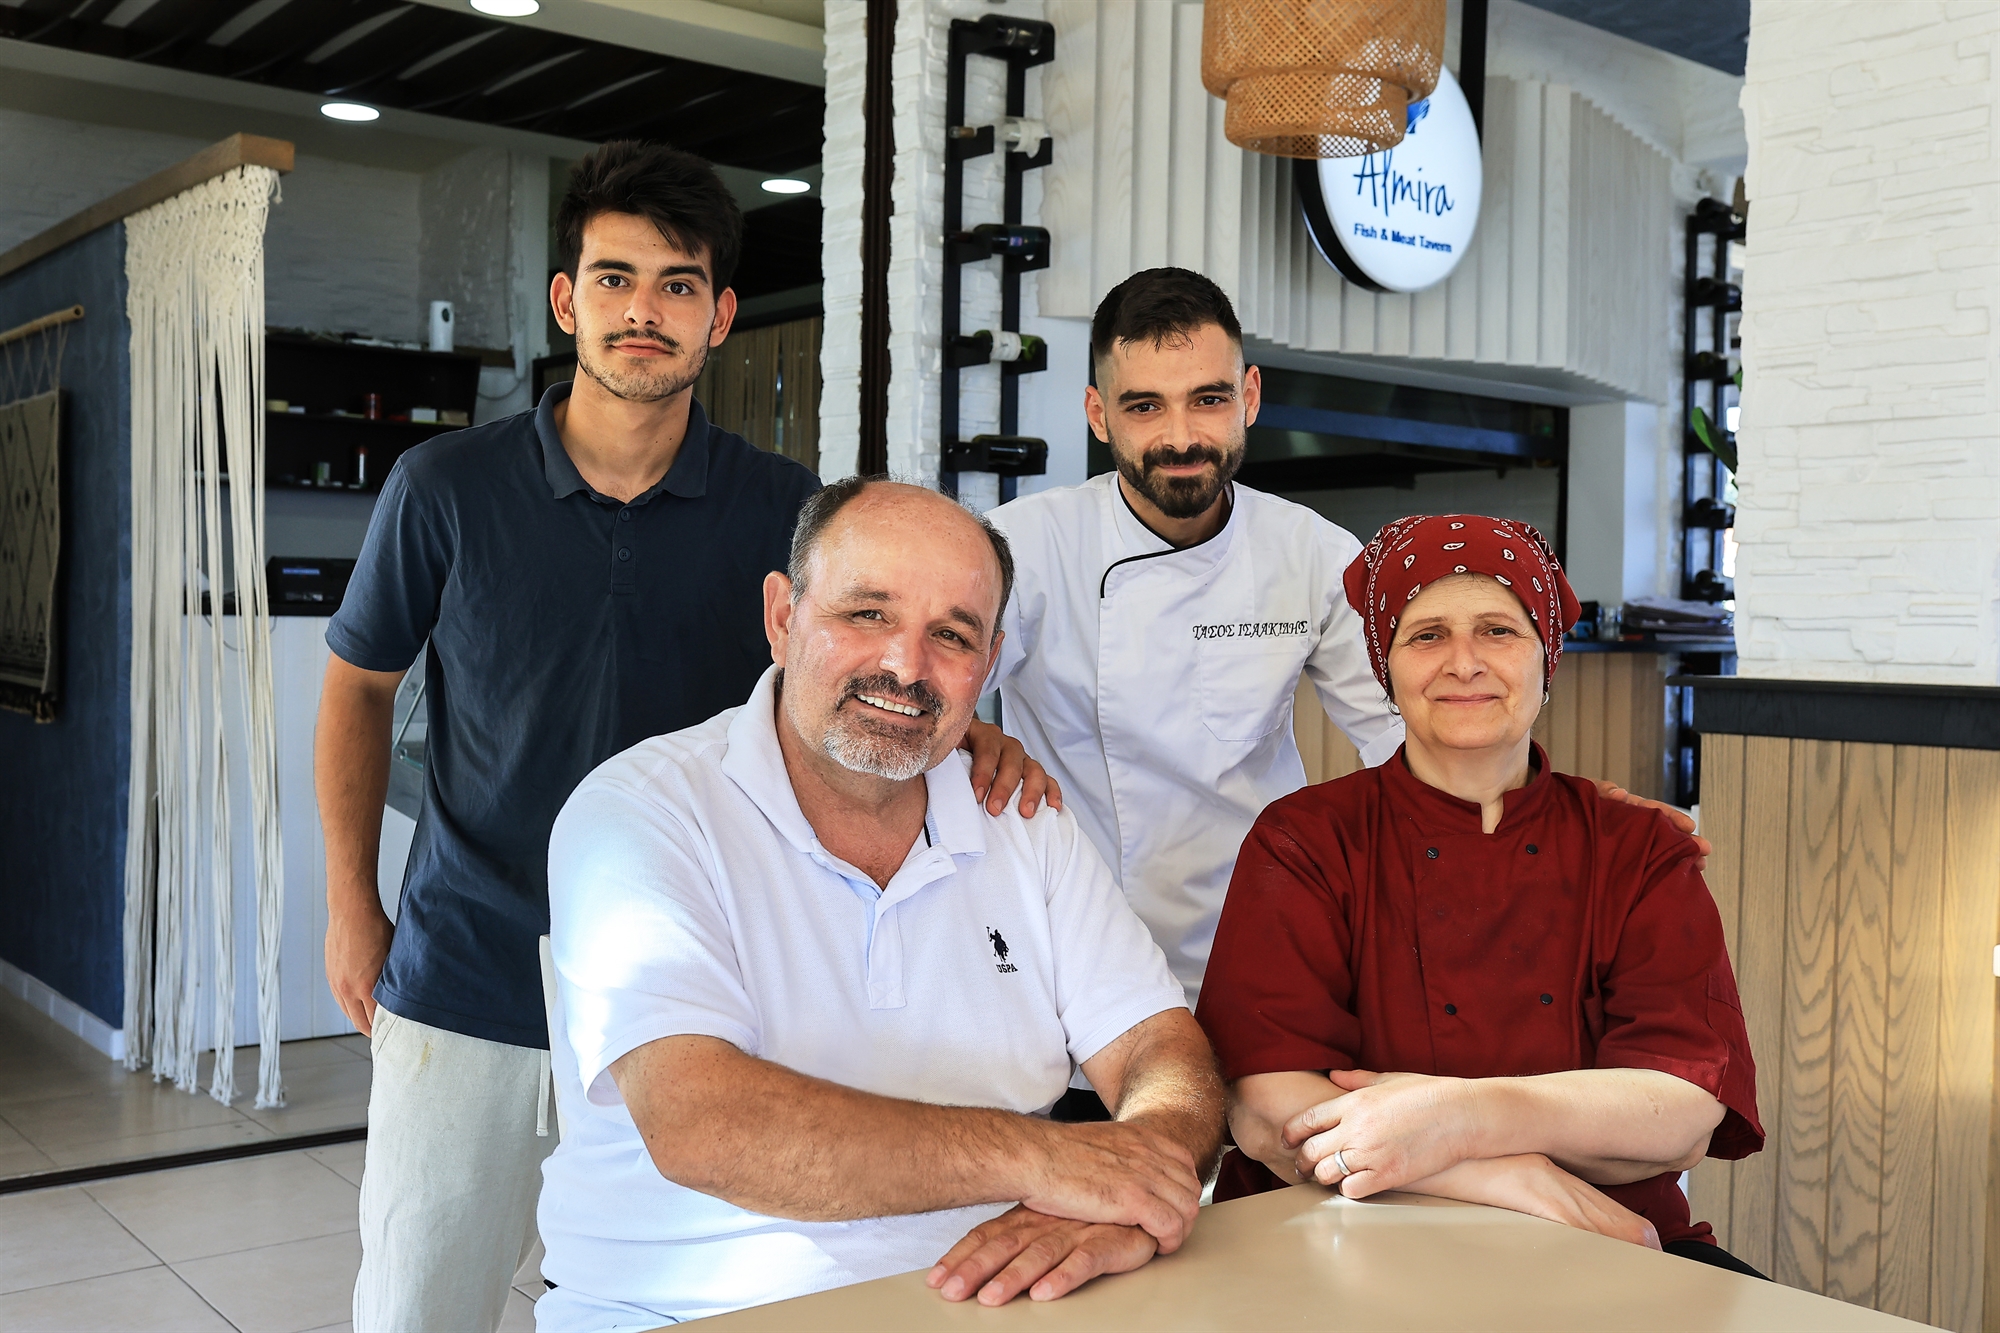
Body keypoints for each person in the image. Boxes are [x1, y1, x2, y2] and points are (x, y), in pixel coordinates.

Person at [317, 142, 1048, 1331]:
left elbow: (874, 677)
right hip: (471, 971)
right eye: (612, 279)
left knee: (689, 1308)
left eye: (674, 284)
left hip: (706, 998)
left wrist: (981, 741)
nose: (640, 312)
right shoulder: (443, 485)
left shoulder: (786, 511)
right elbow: (356, 687)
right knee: (419, 1307)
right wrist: (352, 902)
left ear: (717, 315)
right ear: (566, 301)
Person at [984, 269, 1706, 1106]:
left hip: (1251, 954)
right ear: (1097, 413)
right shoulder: (1022, 546)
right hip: (1071, 961)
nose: (1182, 435)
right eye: (1145, 406)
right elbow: (932, 688)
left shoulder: (1313, 556)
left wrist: (1577, 820)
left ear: (1250, 395)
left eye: (1209, 399)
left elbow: (1420, 737)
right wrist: (974, 730)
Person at [536, 480, 1226, 1329]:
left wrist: (1125, 1185)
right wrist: (1052, 1162)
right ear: (782, 615)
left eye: (951, 634)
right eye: (867, 614)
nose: (906, 666)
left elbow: (1163, 1048)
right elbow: (704, 1123)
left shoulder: (1022, 820)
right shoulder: (644, 811)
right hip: (689, 1310)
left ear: (992, 661)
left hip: (1002, 1300)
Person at [1193, 514, 1765, 1275]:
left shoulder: (1638, 847)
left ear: (1546, 658)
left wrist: (1455, 1115)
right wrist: (1500, 1173)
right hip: (1341, 1243)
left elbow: (1684, 1111)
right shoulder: (1305, 840)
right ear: (1385, 667)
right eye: (1426, 635)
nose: (1463, 663)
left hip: (1606, 1252)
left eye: (1499, 630)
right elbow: (1264, 1104)